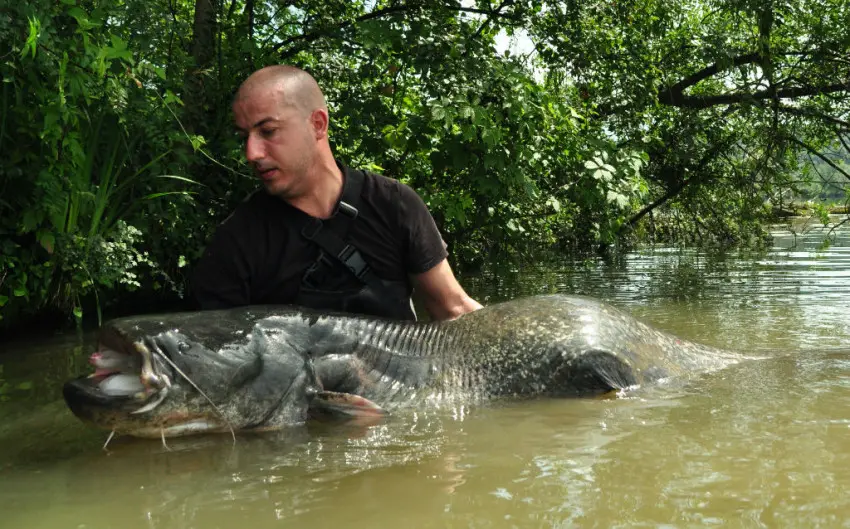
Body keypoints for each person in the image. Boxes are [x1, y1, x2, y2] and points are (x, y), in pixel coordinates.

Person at [190, 65, 482, 321]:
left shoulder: (394, 203)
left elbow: (453, 309)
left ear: (318, 124)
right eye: (244, 137)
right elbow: (215, 357)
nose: (251, 153)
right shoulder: (236, 241)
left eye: (267, 131)